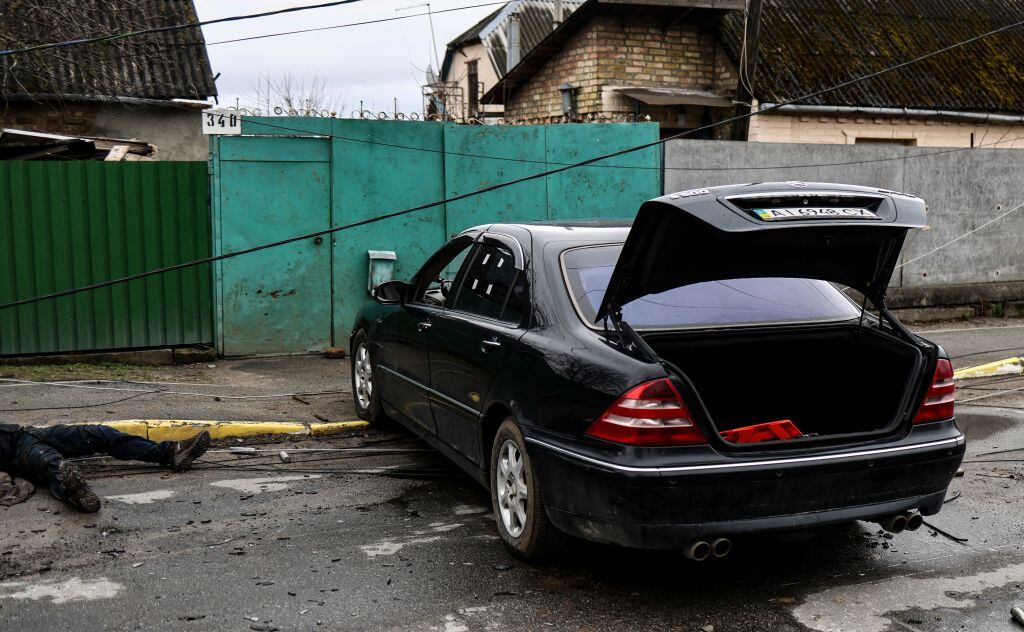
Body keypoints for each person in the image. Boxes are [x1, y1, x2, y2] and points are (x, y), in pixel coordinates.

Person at [0, 423, 210, 513]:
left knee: (98, 433)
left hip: (27, 434)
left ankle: (170, 452)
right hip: (18, 454)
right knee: (50, 462)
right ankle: (74, 491)